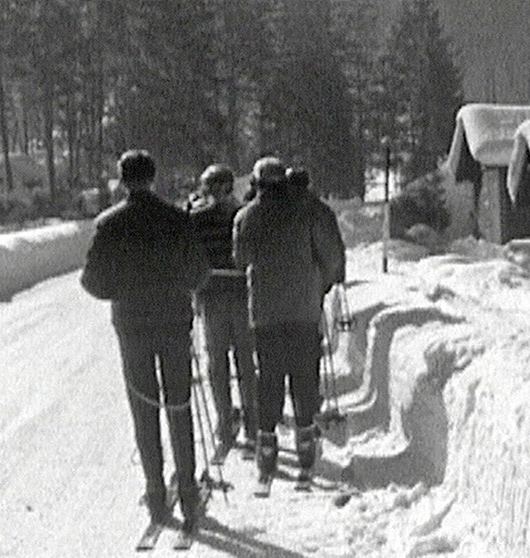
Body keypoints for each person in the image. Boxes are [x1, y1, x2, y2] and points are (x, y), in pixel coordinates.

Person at [80, 149, 209, 533]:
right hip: (172, 322)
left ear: (122, 180)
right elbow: (199, 271)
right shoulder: (176, 218)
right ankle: (187, 489)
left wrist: (121, 291)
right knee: (179, 403)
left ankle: (155, 492)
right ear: (153, 177)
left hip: (133, 326)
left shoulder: (109, 224)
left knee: (145, 407)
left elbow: (91, 281)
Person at [233, 158, 346, 484]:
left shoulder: (247, 217)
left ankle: (267, 447)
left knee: (268, 378)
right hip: (304, 311)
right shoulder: (308, 211)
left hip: (265, 315)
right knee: (304, 376)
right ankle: (306, 442)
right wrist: (318, 286)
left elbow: (241, 261)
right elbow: (331, 258)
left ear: (256, 183)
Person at [188, 164, 258, 453]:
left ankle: (225, 422)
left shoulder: (195, 219)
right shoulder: (244, 214)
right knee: (246, 362)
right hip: (242, 296)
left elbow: (189, 258)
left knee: (217, 363)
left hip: (213, 297)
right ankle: (252, 424)